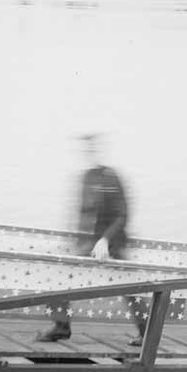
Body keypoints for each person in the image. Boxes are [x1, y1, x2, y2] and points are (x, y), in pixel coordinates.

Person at [39, 132, 146, 345]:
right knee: (58, 275)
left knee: (131, 288)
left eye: (93, 148)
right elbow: (82, 212)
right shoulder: (86, 177)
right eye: (85, 149)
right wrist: (73, 241)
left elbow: (122, 214)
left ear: (100, 150)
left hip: (112, 241)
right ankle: (61, 326)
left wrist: (105, 240)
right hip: (89, 242)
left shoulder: (111, 176)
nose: (89, 152)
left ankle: (146, 334)